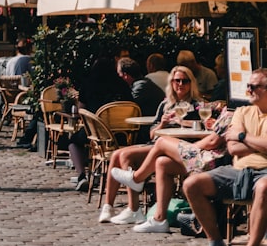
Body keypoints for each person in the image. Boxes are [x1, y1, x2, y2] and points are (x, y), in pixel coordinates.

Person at [98, 65, 202, 222]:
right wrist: (162, 124)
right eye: (176, 81)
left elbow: (203, 126)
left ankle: (134, 209)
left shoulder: (197, 105)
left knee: (126, 155)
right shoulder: (166, 104)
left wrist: (183, 122)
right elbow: (152, 133)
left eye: (184, 81)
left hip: (176, 147)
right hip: (156, 144)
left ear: (191, 83)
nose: (180, 84)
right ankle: (108, 206)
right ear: (171, 83)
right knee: (117, 155)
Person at [107, 108, 232, 233]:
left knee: (161, 142)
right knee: (162, 163)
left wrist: (191, 148)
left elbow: (212, 141)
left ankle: (137, 178)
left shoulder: (233, 112)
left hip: (214, 160)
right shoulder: (232, 110)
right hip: (211, 158)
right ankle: (159, 219)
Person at [183, 68, 267, 246]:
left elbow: (242, 141)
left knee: (264, 187)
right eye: (247, 86)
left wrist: (243, 136)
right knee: (191, 184)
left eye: (253, 86)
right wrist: (258, 145)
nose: (248, 90)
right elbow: (233, 147)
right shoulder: (242, 112)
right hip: (237, 171)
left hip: (264, 174)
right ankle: (215, 240)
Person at [70, 56, 134, 191]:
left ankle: (82, 175)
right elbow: (131, 105)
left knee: (74, 142)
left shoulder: (88, 84)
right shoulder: (122, 85)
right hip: (122, 133)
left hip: (96, 133)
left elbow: (81, 110)